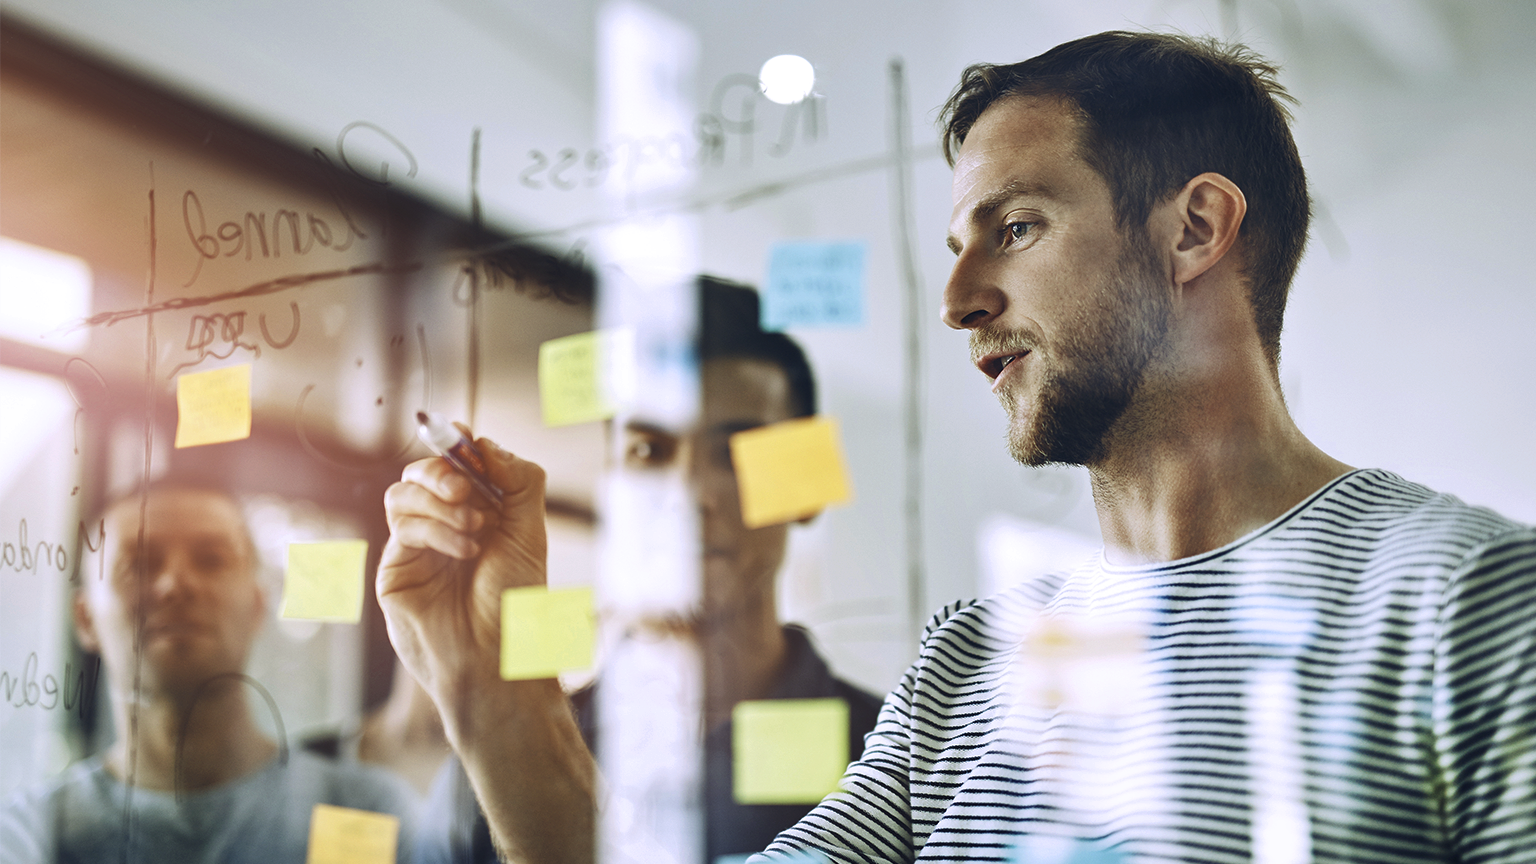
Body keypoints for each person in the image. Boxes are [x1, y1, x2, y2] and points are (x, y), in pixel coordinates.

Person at [376, 31, 1536, 864]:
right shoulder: (968, 662)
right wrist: (496, 696)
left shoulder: (1473, 603)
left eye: (1015, 229)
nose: (956, 302)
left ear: (1193, 230)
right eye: (953, 245)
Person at [409, 278, 884, 863]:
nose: (688, 492)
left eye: (736, 452)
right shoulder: (499, 768)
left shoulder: (900, 764)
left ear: (806, 485)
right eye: (649, 452)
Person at [0, 484, 417, 863]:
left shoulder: (363, 811)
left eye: (212, 560)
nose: (176, 584)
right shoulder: (32, 839)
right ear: (86, 618)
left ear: (256, 606)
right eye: (140, 563)